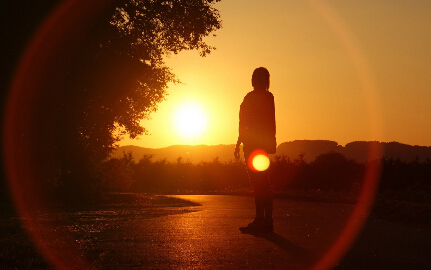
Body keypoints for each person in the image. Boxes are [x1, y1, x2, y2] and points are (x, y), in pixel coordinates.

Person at [234, 67, 276, 233]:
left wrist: (270, 143)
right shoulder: (249, 97)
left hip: (259, 145)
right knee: (258, 183)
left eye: (256, 77)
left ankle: (265, 221)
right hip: (249, 144)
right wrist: (238, 143)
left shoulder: (266, 96)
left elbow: (270, 120)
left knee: (261, 183)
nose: (253, 79)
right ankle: (262, 221)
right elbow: (242, 122)